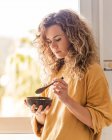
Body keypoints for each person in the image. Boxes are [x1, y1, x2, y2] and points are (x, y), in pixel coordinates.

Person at [27, 9, 112, 140]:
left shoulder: (92, 70)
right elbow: (48, 123)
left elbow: (100, 120)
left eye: (58, 39)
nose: (53, 46)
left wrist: (66, 99)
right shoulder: (53, 73)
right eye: (49, 41)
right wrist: (39, 113)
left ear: (74, 37)